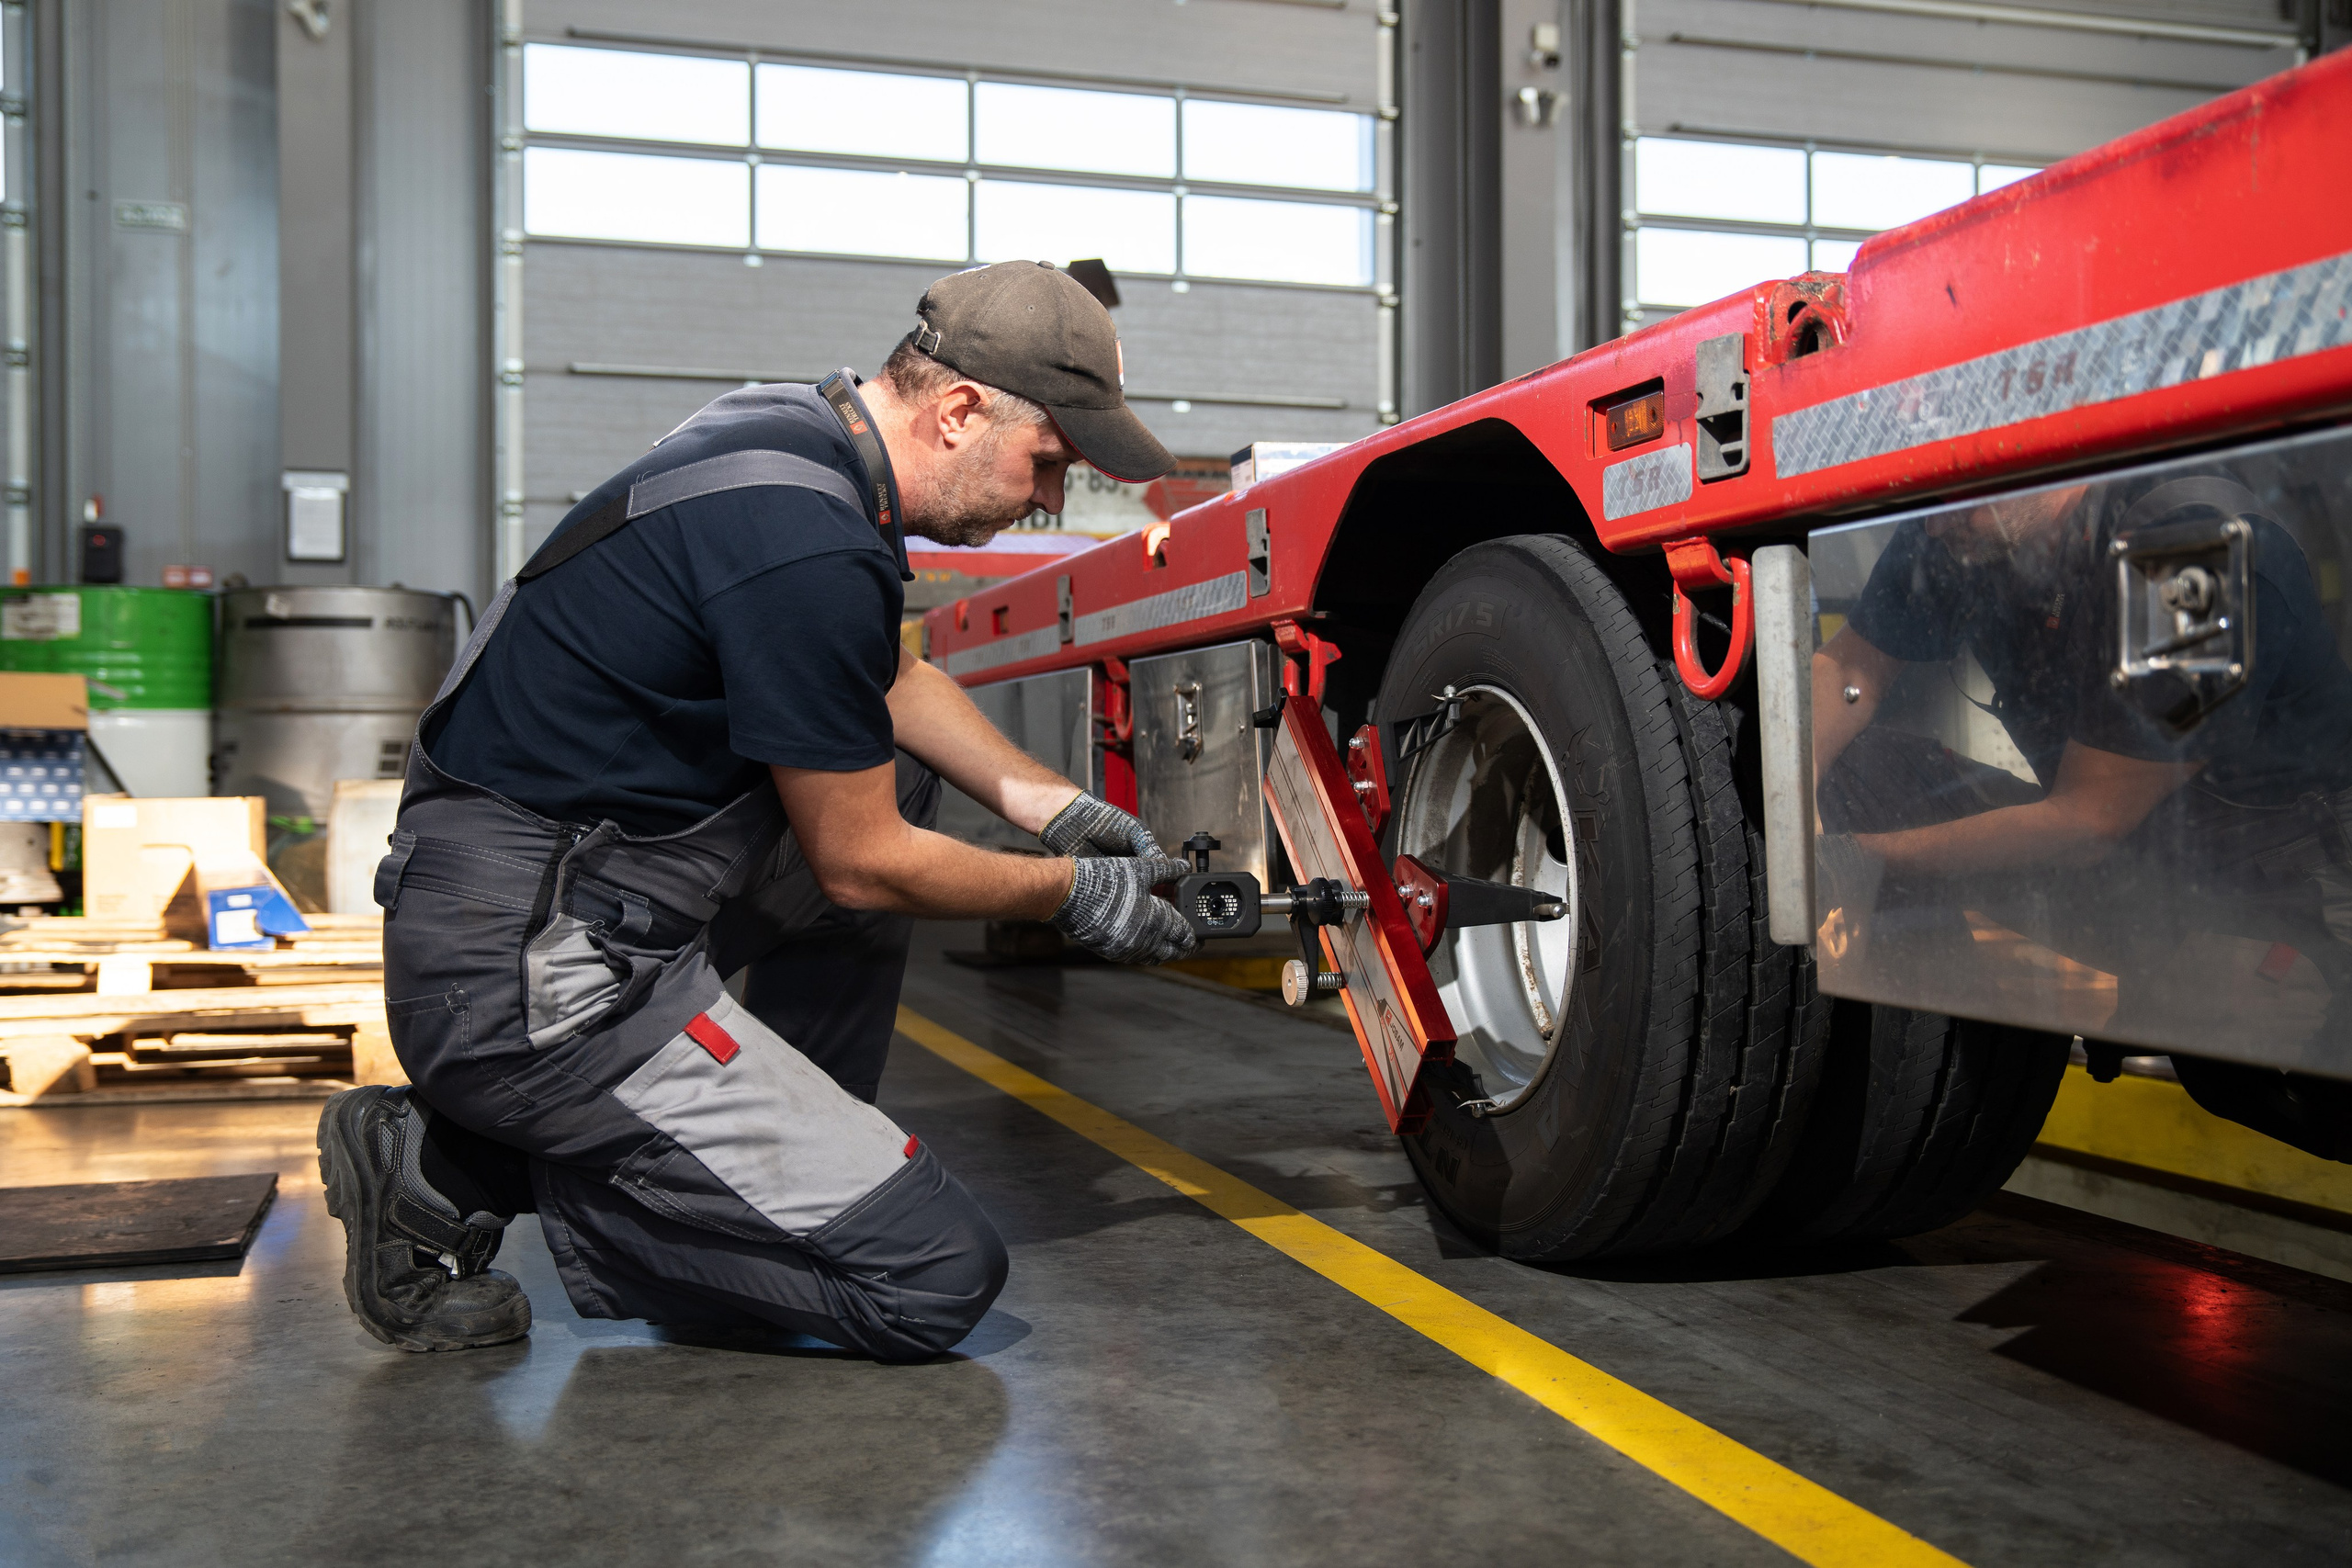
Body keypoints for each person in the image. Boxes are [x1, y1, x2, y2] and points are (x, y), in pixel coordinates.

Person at [316, 262, 1199, 1357]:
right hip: (526, 978)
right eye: (1050, 463)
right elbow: (862, 865)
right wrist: (1077, 894)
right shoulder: (808, 534)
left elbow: (879, 672)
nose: (1052, 498)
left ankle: (778, 1157)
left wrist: (1059, 810)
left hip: (573, 891)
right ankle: (448, 1171)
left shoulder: (795, 438)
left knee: (898, 777)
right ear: (960, 410)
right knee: (927, 1281)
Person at [1810, 464, 2352, 1156]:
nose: (1936, 523)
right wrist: (1791, 814)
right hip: (2140, 847)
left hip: (2296, 869)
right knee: (1864, 769)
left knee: (2255, 1063)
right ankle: (1947, 1071)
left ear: (2044, 450)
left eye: (1958, 500)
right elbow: (1849, 672)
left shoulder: (2192, 551)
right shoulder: (1964, 527)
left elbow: (2087, 821)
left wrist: (1862, 857)